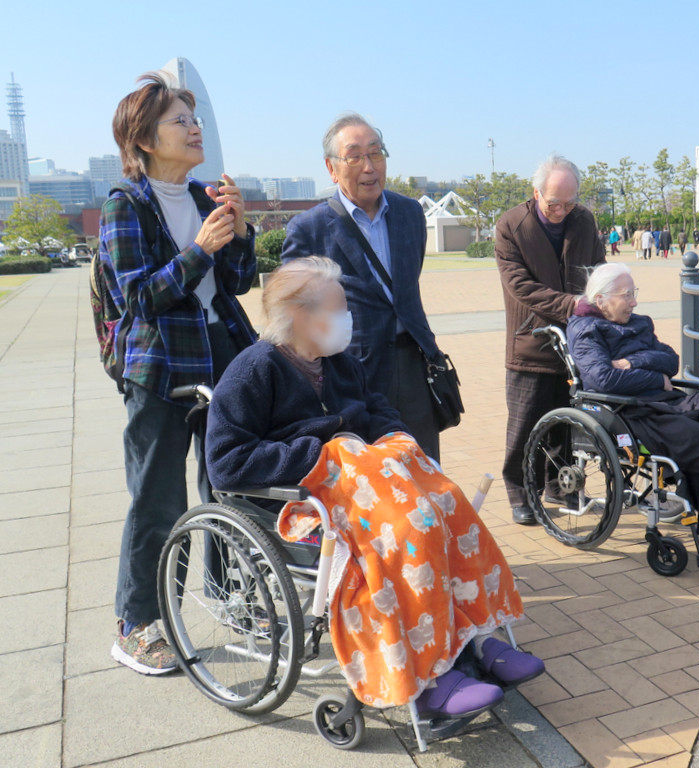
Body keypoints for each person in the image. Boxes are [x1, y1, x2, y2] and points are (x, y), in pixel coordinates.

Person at [206, 257, 544, 717]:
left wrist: (394, 438)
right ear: (301, 315)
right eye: (339, 307)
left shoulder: (340, 361)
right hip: (306, 501)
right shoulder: (254, 369)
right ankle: (428, 680)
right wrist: (321, 456)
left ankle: (474, 639)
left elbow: (379, 410)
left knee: (447, 506)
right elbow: (225, 463)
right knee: (406, 534)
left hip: (371, 485)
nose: (349, 317)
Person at [99, 72, 258, 674]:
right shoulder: (126, 206)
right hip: (160, 367)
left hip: (224, 351)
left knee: (227, 487)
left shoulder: (202, 198)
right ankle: (138, 623)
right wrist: (201, 251)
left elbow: (237, 283)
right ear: (143, 138)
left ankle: (230, 598)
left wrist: (238, 233)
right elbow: (139, 298)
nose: (193, 129)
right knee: (157, 499)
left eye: (193, 119)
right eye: (179, 120)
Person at [567, 263, 699, 558]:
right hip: (629, 411)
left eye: (634, 294)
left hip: (664, 403)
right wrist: (656, 378)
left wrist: (633, 362)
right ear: (601, 299)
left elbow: (670, 359)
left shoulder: (639, 322)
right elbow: (603, 378)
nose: (634, 302)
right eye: (626, 295)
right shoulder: (586, 329)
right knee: (697, 439)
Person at [282, 113, 442, 460]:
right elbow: (293, 309)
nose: (369, 166)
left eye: (376, 153)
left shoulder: (410, 213)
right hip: (351, 372)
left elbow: (406, 284)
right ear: (332, 168)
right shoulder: (308, 229)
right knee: (367, 475)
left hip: (414, 363)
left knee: (423, 465)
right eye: (355, 156)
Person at [495, 155, 605, 525]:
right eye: (553, 203)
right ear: (536, 192)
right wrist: (571, 305)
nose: (561, 211)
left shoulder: (584, 221)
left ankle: (560, 486)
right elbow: (520, 286)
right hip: (531, 342)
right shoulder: (512, 225)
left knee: (569, 424)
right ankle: (521, 492)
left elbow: (598, 270)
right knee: (525, 426)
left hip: (577, 342)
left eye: (569, 203)